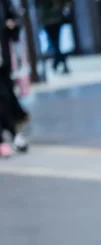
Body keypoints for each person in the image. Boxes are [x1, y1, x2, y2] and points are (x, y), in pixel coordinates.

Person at [0, 0, 27, 156]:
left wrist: (11, 25)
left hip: (2, 59)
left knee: (5, 96)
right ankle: (8, 137)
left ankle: (12, 134)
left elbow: (15, 19)